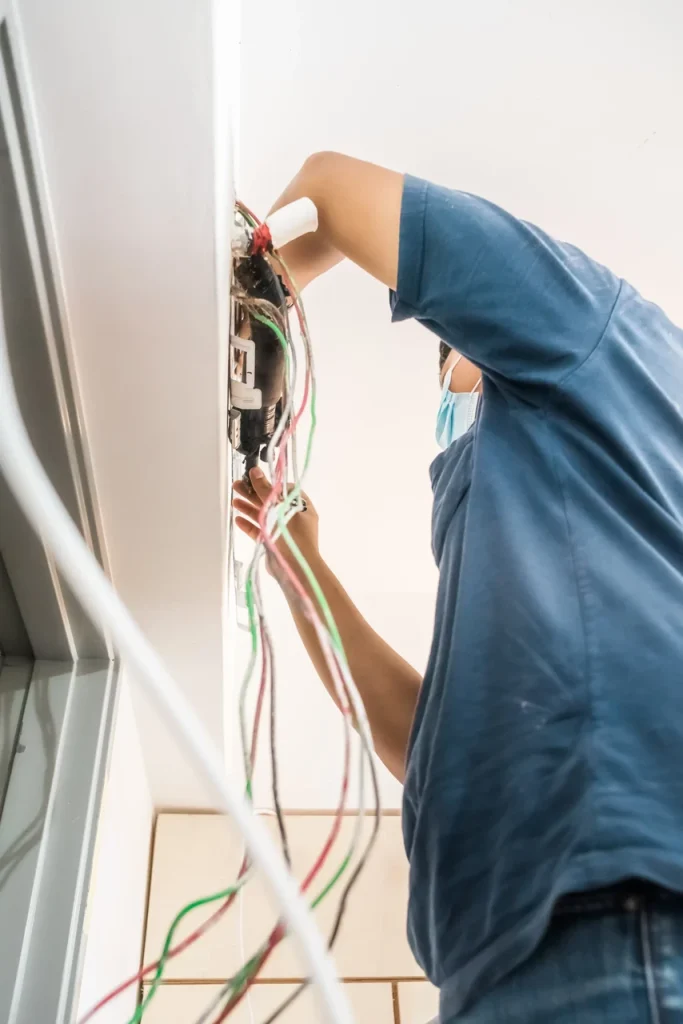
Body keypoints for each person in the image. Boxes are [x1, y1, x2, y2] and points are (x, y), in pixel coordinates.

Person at [232, 153, 683, 1022]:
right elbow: (426, 744)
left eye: (450, 372)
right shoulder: (545, 517)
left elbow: (332, 192)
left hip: (617, 925)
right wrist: (303, 571)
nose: (445, 405)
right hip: (504, 954)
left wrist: (255, 313)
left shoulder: (587, 331)